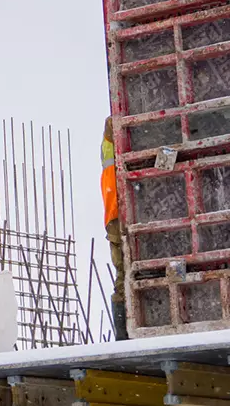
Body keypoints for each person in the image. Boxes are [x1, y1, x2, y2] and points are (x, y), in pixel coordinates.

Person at [101, 115, 128, 340]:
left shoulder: (112, 138)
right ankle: (123, 334)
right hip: (118, 213)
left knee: (125, 274)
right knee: (124, 274)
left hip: (118, 213)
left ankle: (124, 333)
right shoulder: (113, 129)